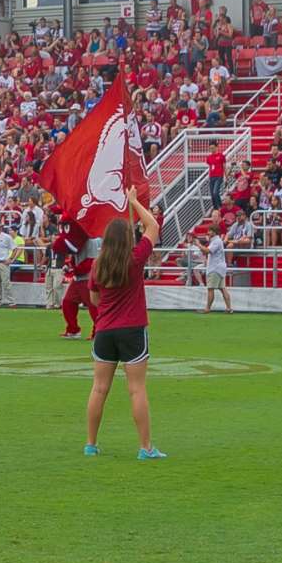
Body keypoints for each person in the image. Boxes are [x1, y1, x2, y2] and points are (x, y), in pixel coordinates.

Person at [82, 193, 163, 459]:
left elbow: (94, 298)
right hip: (132, 329)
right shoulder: (135, 258)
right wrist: (134, 202)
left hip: (105, 330)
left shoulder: (98, 264)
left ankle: (91, 444)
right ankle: (145, 447)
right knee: (136, 389)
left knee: (99, 388)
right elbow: (153, 226)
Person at [201, 225, 233, 313]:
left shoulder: (216, 241)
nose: (208, 232)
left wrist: (198, 244)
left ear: (214, 232)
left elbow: (208, 251)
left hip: (215, 268)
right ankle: (229, 308)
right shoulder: (217, 241)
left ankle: (207, 308)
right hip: (220, 267)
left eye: (210, 230)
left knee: (210, 288)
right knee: (222, 288)